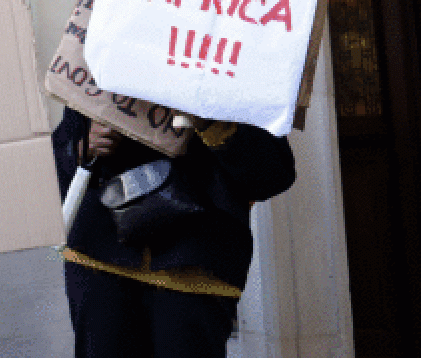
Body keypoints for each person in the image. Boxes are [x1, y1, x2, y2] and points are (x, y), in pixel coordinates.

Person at [52, 108, 295, 358]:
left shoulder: (240, 80)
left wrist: (214, 125)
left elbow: (273, 175)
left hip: (196, 265)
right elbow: (56, 162)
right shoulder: (99, 72)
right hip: (101, 262)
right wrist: (85, 146)